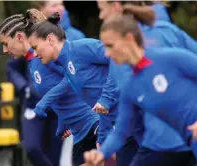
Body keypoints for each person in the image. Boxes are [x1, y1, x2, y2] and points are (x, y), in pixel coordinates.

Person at [84, 14, 197, 166]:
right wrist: (100, 154)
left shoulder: (169, 57)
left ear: (129, 39)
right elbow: (121, 132)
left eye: (110, 45)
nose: (106, 53)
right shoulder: (131, 88)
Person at [27, 12, 147, 166]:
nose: (35, 54)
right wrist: (102, 135)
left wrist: (107, 98)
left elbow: (118, 57)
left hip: (140, 118)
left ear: (50, 39)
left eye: (36, 47)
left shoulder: (80, 48)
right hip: (125, 128)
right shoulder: (66, 66)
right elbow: (99, 104)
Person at [0, 9, 98, 166]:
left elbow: (74, 76)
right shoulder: (33, 61)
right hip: (77, 129)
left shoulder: (46, 56)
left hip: (91, 123)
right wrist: (64, 120)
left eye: (5, 44)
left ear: (18, 37)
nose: (4, 50)